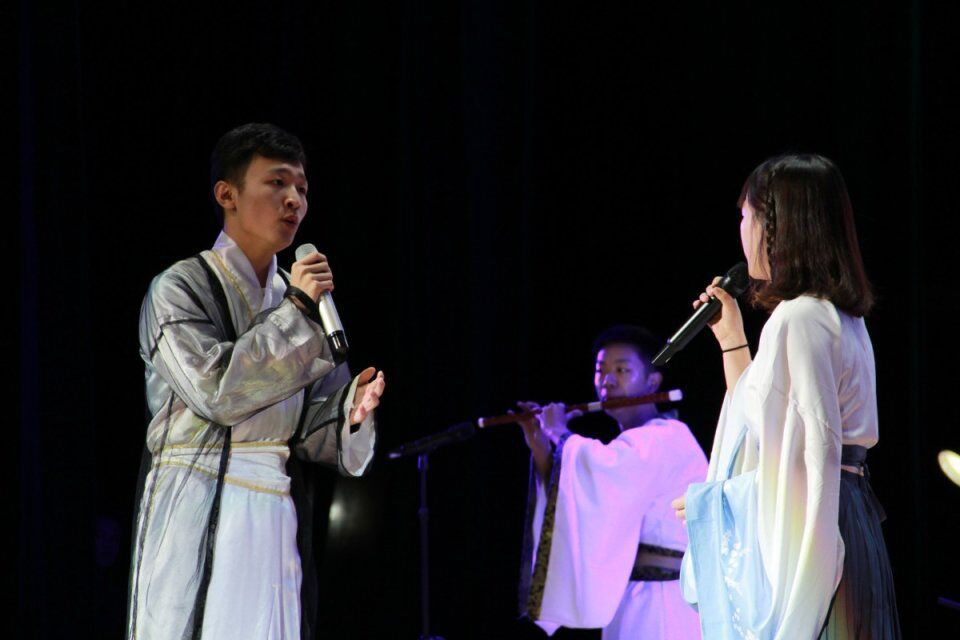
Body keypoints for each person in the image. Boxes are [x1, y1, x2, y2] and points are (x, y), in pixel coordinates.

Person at [126, 123, 385, 640]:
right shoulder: (178, 288)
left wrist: (349, 414)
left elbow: (309, 429)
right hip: (195, 492)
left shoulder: (296, 297)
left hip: (274, 504)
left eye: (302, 189)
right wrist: (297, 310)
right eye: (277, 182)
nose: (294, 200)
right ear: (228, 195)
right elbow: (216, 392)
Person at [673, 153, 901, 639]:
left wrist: (714, 504)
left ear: (776, 225)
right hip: (843, 517)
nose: (742, 229)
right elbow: (769, 422)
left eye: (746, 215)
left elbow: (802, 463)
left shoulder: (799, 319)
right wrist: (732, 338)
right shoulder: (841, 317)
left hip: (820, 532)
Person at [516, 326, 707, 639]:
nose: (607, 381)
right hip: (632, 597)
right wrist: (541, 447)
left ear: (652, 381)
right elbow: (583, 499)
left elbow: (603, 471)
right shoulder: (633, 442)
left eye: (622, 370)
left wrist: (559, 433)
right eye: (600, 370)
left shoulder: (666, 436)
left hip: (664, 603)